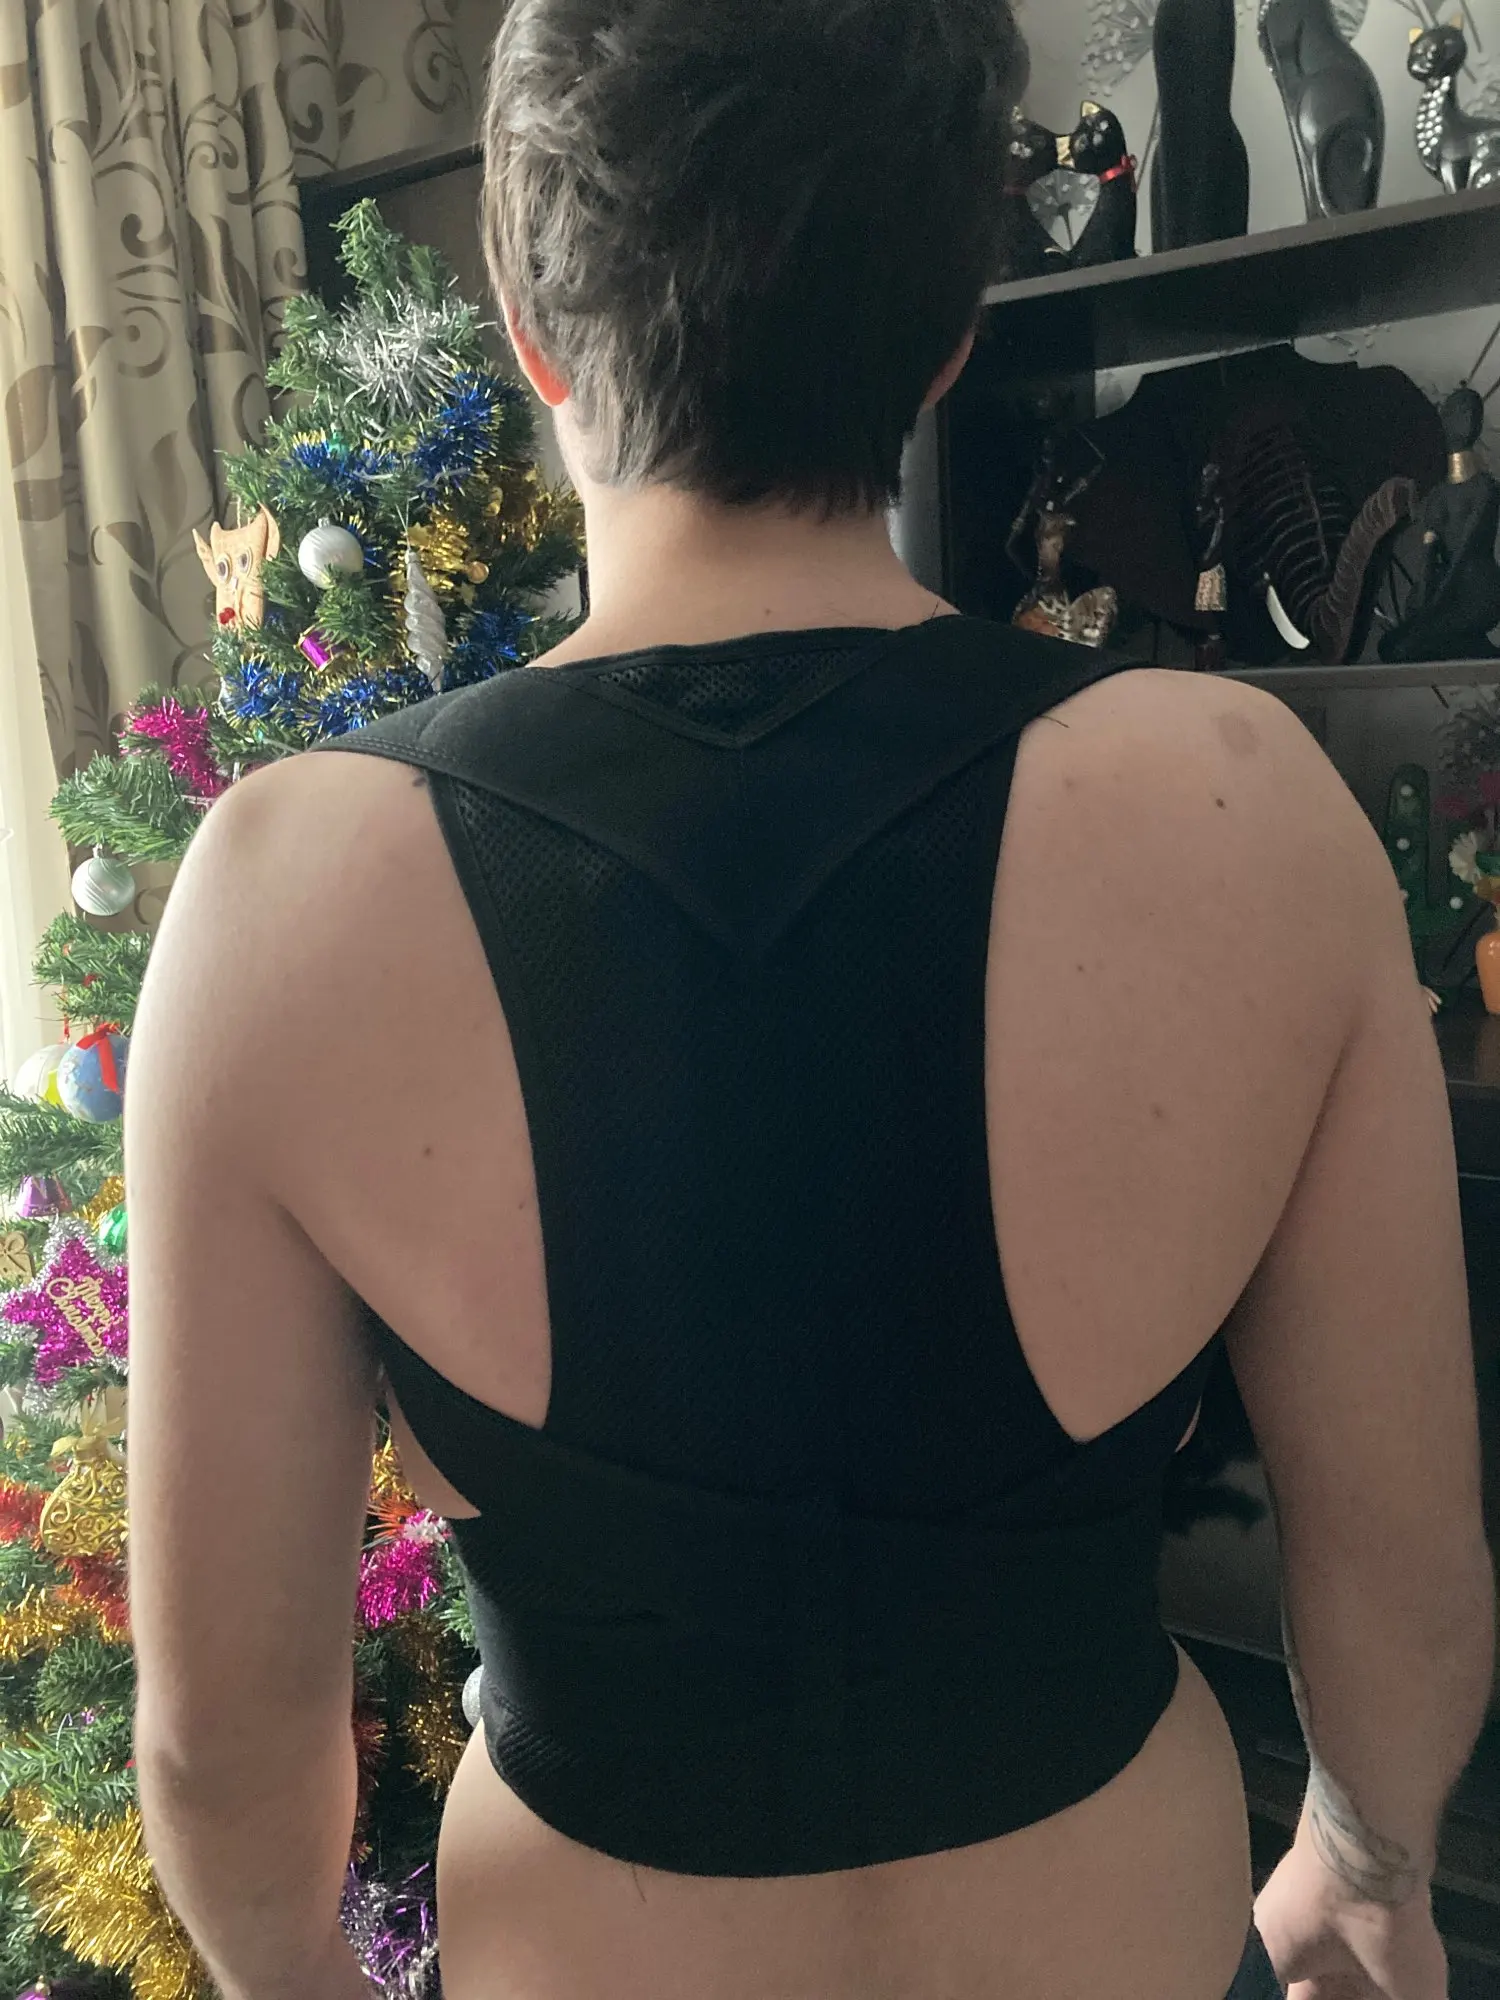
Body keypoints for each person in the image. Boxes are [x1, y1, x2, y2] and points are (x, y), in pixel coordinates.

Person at [125, 2, 1494, 1997]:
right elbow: (1406, 1564)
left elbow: (221, 1745)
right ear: (950, 325)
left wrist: (293, 1975)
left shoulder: (282, 892)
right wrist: (1366, 1863)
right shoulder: (1245, 806)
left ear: (528, 318)